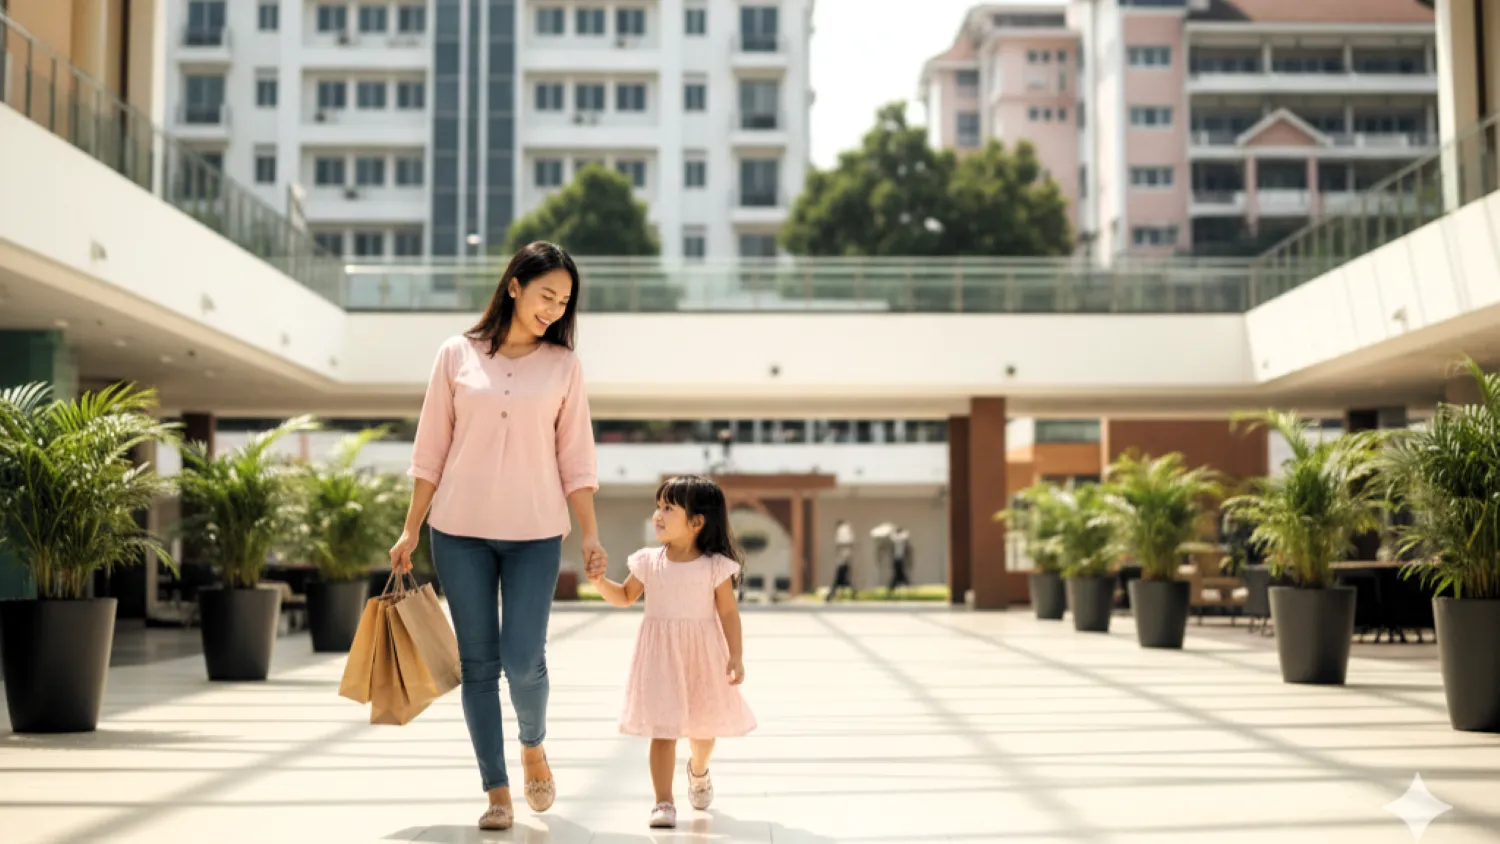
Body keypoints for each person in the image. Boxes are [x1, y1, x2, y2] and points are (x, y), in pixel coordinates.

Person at [389, 241, 605, 832]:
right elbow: (430, 449)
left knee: (523, 658)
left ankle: (533, 743)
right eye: (546, 296)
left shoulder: (564, 367)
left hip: (536, 533)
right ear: (514, 286)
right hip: (458, 531)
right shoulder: (456, 354)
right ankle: (497, 789)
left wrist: (589, 535)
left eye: (564, 302)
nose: (555, 310)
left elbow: (576, 459)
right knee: (479, 665)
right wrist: (410, 529)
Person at [585, 475, 757, 829]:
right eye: (658, 506)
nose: (658, 515)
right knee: (663, 731)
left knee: (702, 731)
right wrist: (600, 582)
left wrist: (736, 655)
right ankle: (663, 801)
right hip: (661, 658)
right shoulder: (649, 561)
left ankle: (698, 769)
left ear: (696, 522)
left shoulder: (714, 567)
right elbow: (625, 597)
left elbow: (727, 612)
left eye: (668, 508)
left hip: (701, 658)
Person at [826, 519, 856, 602]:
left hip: (842, 558)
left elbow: (840, 542)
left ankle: (831, 595)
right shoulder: (848, 529)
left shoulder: (842, 529)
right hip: (846, 557)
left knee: (839, 578)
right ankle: (852, 594)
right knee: (845, 578)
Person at [887, 526, 911, 596]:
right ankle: (905, 585)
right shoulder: (896, 539)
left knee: (900, 575)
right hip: (897, 560)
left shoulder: (901, 539)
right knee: (899, 575)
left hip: (900, 559)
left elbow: (904, 535)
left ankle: (903, 585)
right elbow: (894, 537)